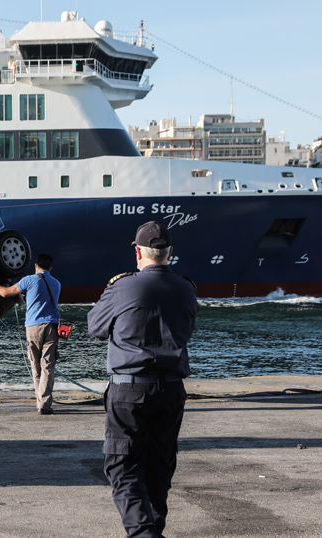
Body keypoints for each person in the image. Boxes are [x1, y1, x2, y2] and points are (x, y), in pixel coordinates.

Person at [87, 221, 198, 538]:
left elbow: (95, 327)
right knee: (159, 466)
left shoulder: (122, 287)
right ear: (170, 253)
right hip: (172, 389)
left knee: (123, 467)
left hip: (129, 389)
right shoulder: (187, 289)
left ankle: (142, 534)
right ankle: (153, 530)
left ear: (137, 251)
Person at [0, 254, 61, 415]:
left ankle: (40, 401)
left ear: (36, 265)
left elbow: (6, 293)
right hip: (52, 326)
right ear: (51, 268)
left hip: (33, 327)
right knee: (48, 366)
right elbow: (44, 301)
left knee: (36, 367)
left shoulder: (29, 280)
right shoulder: (57, 283)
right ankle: (44, 404)